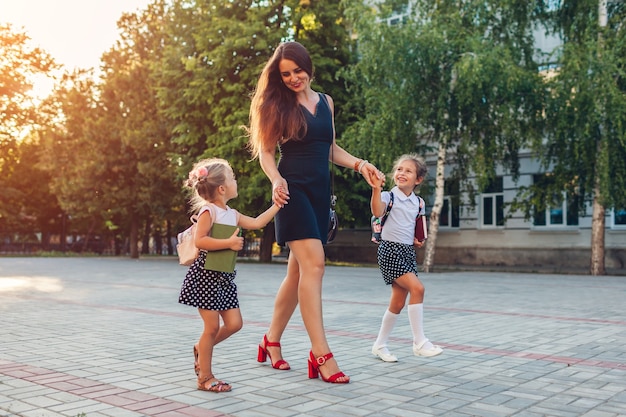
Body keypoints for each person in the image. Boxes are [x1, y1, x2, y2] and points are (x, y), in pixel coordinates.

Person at [246, 41, 382, 384]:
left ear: (309, 66)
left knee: (297, 274)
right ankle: (321, 353)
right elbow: (265, 153)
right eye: (286, 74)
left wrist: (360, 164)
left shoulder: (327, 103)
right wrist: (276, 178)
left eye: (298, 71)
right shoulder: (275, 104)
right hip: (292, 192)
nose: (293, 78)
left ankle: (270, 341)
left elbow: (330, 147)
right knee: (316, 265)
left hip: (319, 194)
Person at [178, 158, 280, 392]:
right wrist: (229, 242)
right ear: (222, 188)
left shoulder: (232, 214)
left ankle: (200, 348)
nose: (236, 181)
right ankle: (205, 377)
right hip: (205, 276)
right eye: (233, 177)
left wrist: (277, 205)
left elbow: (256, 223)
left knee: (235, 324)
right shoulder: (209, 211)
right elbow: (200, 240)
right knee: (211, 327)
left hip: (223, 277)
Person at [369, 153, 443, 362]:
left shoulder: (418, 203)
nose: (401, 173)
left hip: (407, 252)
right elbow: (377, 211)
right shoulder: (387, 196)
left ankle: (380, 345)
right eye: (399, 169)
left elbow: (414, 227)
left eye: (408, 171)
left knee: (398, 302)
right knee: (418, 289)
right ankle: (419, 342)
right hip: (389, 251)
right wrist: (376, 189)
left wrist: (417, 239)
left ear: (417, 180)